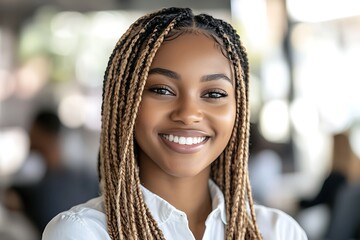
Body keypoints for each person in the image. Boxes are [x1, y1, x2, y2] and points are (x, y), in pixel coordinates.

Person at [43, 7, 307, 239]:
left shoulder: (279, 232)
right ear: (125, 103)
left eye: (214, 94)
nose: (188, 113)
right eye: (162, 90)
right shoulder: (81, 232)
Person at [5, 109, 100, 235]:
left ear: (40, 133)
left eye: (32, 131)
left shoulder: (38, 190)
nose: (29, 137)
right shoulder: (86, 178)